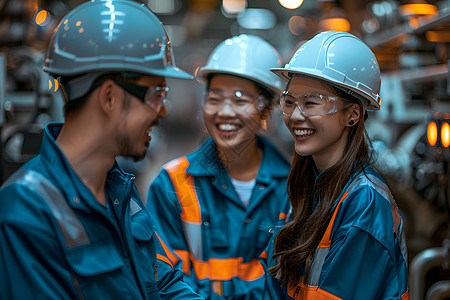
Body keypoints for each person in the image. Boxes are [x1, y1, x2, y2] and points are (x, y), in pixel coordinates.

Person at [0, 1, 203, 299]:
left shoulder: (120, 191)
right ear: (109, 97)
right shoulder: (26, 213)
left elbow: (165, 283)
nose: (161, 112)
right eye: (156, 94)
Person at [261, 31, 409, 299]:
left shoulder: (365, 203)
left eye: (311, 103)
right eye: (290, 101)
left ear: (352, 114)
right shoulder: (305, 187)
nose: (295, 116)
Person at [147, 34, 291, 299]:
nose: (224, 112)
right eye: (214, 98)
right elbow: (165, 282)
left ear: (267, 108)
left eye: (239, 99)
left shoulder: (293, 189)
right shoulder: (172, 184)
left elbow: (286, 282)